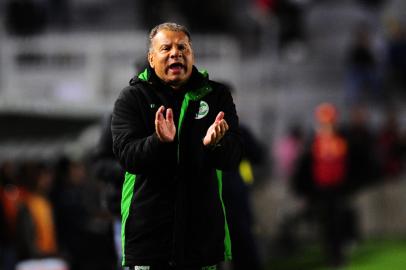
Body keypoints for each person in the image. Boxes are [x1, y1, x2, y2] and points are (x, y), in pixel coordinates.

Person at [111, 22, 242, 270]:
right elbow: (127, 157)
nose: (176, 53)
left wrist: (216, 145)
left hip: (200, 236)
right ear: (151, 58)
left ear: (192, 55)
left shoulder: (215, 95)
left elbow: (233, 158)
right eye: (166, 48)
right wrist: (157, 142)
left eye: (182, 47)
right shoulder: (132, 98)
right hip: (150, 238)